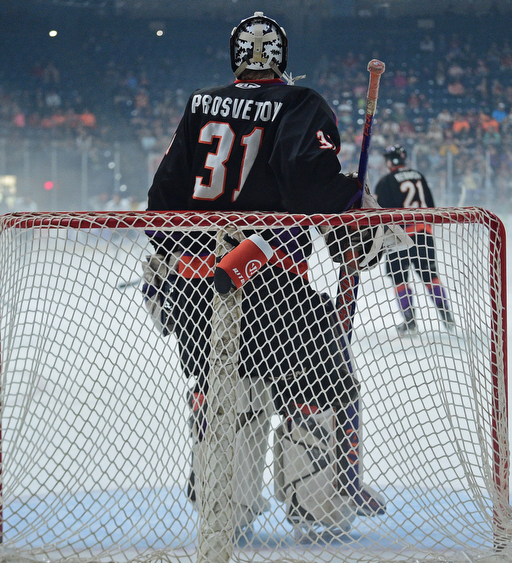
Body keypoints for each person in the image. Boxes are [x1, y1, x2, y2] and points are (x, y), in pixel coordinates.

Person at [143, 11, 385, 533]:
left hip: (198, 292)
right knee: (321, 382)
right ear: (283, 58)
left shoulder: (199, 104)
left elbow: (160, 203)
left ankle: (223, 508)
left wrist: (175, 265)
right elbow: (307, 179)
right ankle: (318, 508)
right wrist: (352, 200)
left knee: (227, 395)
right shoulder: (300, 102)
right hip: (272, 285)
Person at [373, 145, 455, 336]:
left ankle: (409, 322)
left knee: (399, 279)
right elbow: (431, 206)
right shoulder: (418, 175)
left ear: (389, 161)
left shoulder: (386, 181)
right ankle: (447, 316)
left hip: (398, 237)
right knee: (430, 276)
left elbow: (380, 213)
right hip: (423, 233)